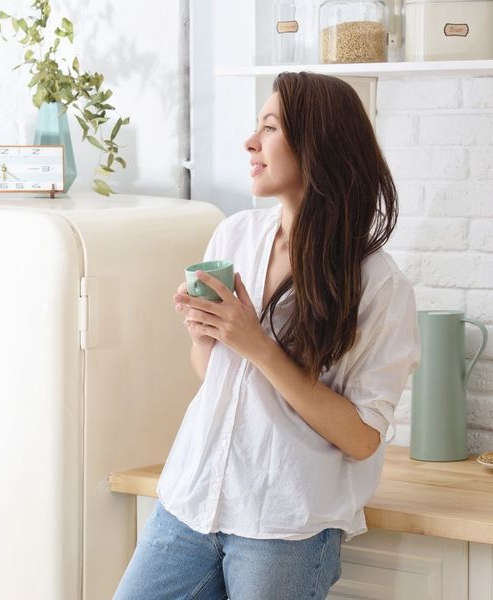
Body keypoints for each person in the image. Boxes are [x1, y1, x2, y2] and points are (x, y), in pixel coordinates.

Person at [113, 71, 421, 600]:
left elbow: (362, 436)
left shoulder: (377, 282)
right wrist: (207, 338)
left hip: (283, 526)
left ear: (316, 146)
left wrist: (255, 342)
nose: (250, 142)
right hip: (190, 500)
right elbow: (224, 383)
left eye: (270, 127)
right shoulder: (235, 234)